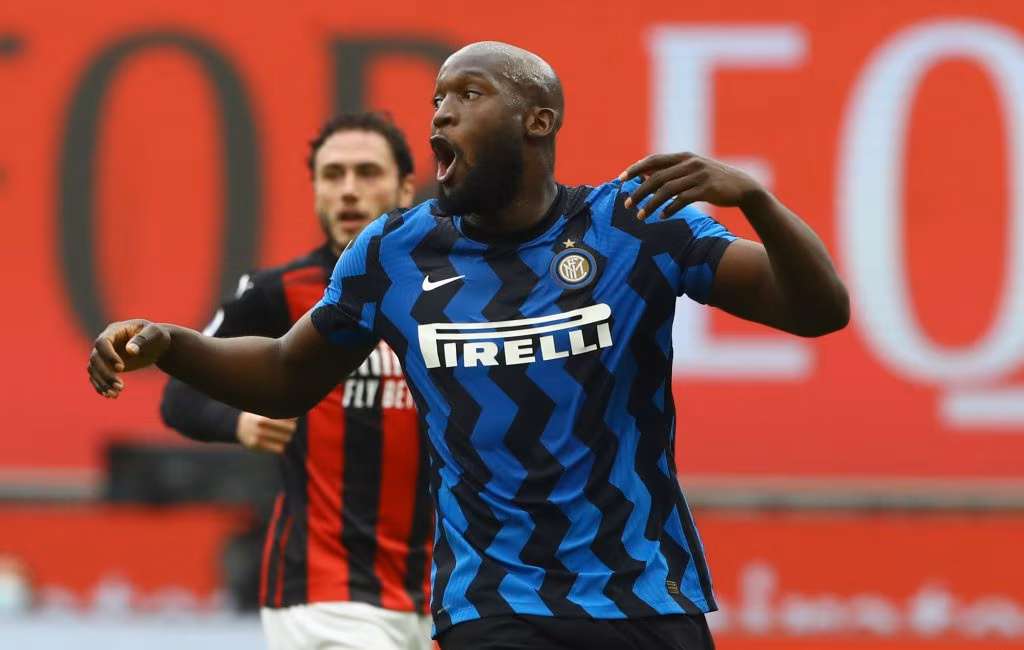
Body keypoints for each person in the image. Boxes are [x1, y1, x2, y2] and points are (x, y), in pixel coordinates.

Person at [87, 42, 850, 650]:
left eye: (468, 95)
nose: (441, 116)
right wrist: (172, 344)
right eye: (436, 101)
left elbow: (820, 311)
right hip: (492, 600)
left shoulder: (634, 224)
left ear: (537, 121)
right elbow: (287, 372)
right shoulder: (394, 252)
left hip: (643, 592)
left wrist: (756, 200)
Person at [160, 112, 433, 650]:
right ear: (315, 191)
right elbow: (179, 395)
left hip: (444, 589)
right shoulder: (277, 294)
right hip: (323, 590)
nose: (349, 190)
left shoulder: (452, 289)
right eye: (333, 175)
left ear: (406, 187)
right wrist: (239, 422)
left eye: (367, 172)